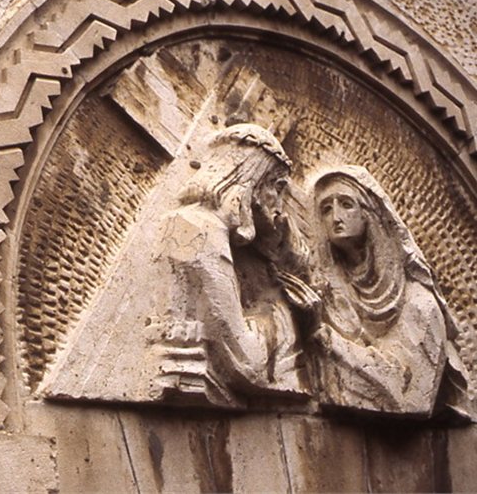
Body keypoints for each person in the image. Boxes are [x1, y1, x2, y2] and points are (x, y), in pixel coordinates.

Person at [42, 124, 310, 407]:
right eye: (278, 188)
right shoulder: (202, 232)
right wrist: (284, 315)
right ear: (252, 183)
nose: (281, 205)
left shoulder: (190, 224)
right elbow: (247, 362)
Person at [292, 166, 471, 418]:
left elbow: (410, 398)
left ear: (370, 213)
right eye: (326, 209)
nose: (336, 217)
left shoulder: (419, 303)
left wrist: (323, 337)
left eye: (346, 204)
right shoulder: (327, 292)